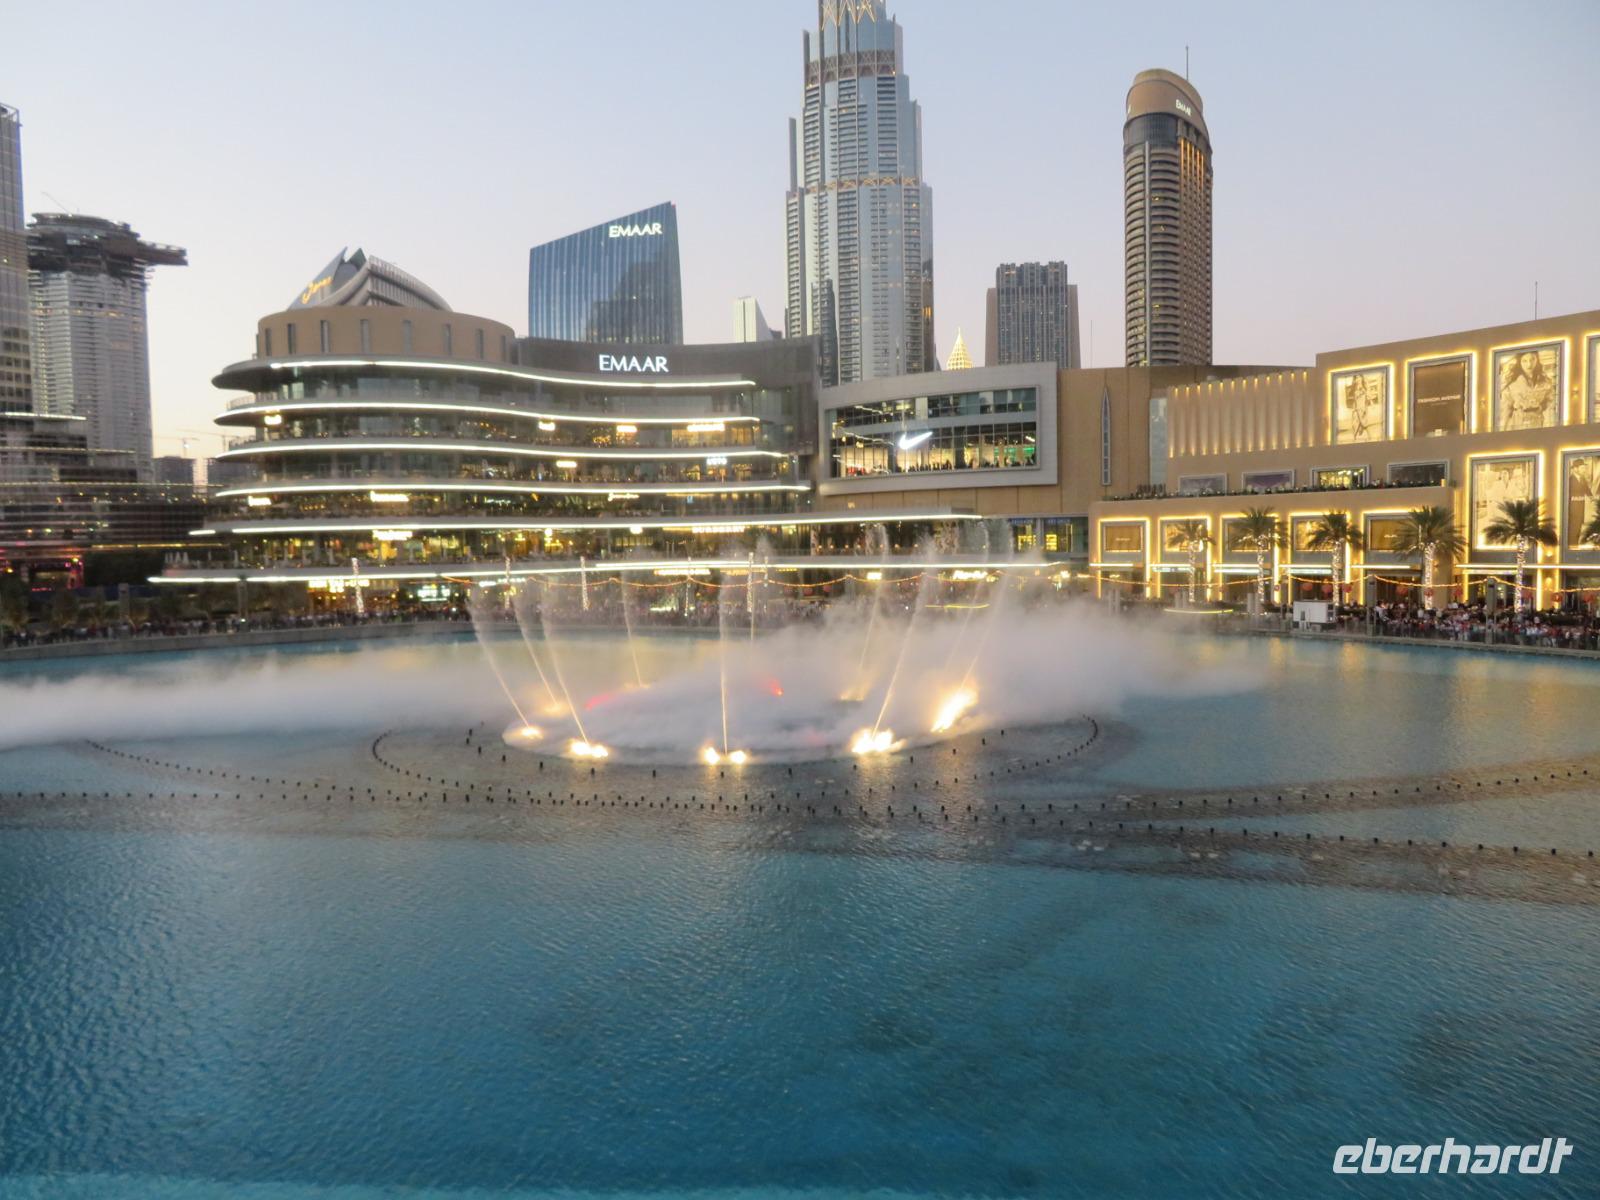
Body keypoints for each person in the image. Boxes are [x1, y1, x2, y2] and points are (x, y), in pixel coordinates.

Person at [1499, 350, 1557, 429]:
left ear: (1537, 360)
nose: (1529, 364)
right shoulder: (1513, 384)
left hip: (1538, 422)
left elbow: (1551, 403)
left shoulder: (1544, 382)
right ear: (1520, 362)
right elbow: (1505, 409)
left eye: (1532, 359)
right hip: (1518, 423)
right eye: (1524, 361)